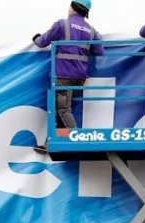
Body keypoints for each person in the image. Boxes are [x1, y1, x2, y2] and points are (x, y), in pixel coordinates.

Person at [33, 0, 104, 131]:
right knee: (62, 107)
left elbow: (42, 42)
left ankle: (75, 137)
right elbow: (99, 51)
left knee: (63, 109)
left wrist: (36, 38)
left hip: (63, 75)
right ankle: (52, 140)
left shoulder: (62, 24)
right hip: (80, 77)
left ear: (73, 8)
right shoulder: (92, 31)